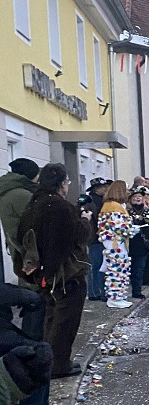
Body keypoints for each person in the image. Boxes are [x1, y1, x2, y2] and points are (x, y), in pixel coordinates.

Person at [16, 163, 93, 379]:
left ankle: (49, 361)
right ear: (61, 184)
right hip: (64, 272)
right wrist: (85, 221)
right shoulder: (60, 206)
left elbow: (22, 236)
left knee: (51, 317)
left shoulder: (33, 204)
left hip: (44, 273)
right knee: (65, 320)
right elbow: (75, 235)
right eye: (67, 181)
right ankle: (58, 365)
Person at [0, 159, 41, 334]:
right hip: (28, 253)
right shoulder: (21, 195)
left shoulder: (9, 191)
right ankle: (34, 343)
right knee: (36, 300)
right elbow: (38, 221)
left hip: (20, 251)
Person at [97, 181, 140, 309]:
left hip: (116, 242)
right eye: (126, 189)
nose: (128, 192)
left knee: (119, 269)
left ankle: (118, 296)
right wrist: (132, 229)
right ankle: (114, 298)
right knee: (116, 270)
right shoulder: (113, 207)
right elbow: (118, 227)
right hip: (115, 243)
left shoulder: (113, 206)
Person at [83, 177, 109, 301]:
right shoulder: (90, 201)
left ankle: (100, 290)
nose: (106, 189)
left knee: (101, 265)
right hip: (94, 237)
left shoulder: (102, 200)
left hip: (101, 236)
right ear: (97, 189)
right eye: (104, 187)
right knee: (96, 265)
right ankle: (95, 292)